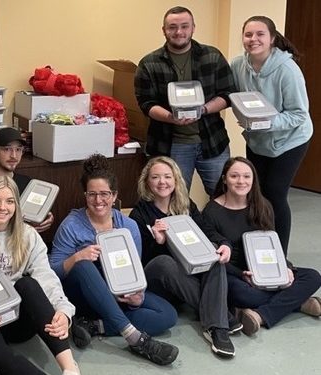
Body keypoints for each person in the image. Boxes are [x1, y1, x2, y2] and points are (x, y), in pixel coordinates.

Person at [50, 154, 179, 366]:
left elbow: (134, 270)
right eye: (92, 194)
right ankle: (134, 337)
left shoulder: (128, 226)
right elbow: (52, 271)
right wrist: (77, 257)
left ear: (114, 195)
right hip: (81, 294)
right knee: (84, 265)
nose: (98, 200)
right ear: (85, 195)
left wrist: (138, 294)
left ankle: (94, 326)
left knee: (168, 315)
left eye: (104, 194)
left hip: (116, 294)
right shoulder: (71, 225)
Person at [0, 176, 81, 375]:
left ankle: (70, 368)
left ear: (17, 204)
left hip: (16, 319)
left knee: (28, 284)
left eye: (9, 201)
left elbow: (45, 276)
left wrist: (63, 310)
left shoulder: (28, 234)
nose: (2, 207)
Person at [129, 156, 236, 358]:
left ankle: (217, 327)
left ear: (176, 180)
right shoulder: (139, 214)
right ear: (147, 182)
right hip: (157, 278)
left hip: (185, 276)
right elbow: (138, 259)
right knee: (164, 262)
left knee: (214, 253)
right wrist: (157, 242)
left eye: (168, 176)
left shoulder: (186, 205)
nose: (162, 182)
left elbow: (207, 231)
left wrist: (224, 244)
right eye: (155, 177)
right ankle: (222, 319)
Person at [202, 157, 321, 336]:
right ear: (225, 179)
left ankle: (260, 315)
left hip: (265, 269)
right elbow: (214, 258)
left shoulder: (263, 205)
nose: (241, 181)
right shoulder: (211, 211)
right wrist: (242, 275)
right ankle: (298, 303)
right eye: (234, 176)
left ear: (253, 180)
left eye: (246, 176)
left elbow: (273, 246)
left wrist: (285, 268)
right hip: (234, 274)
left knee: (313, 276)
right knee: (245, 295)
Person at [230, 16, 313, 253]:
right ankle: (258, 247)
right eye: (248, 35)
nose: (253, 39)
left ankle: (280, 255)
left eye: (260, 34)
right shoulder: (237, 65)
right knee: (256, 194)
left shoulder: (287, 70)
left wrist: (264, 122)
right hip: (258, 140)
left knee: (275, 194)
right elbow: (231, 95)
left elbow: (298, 114)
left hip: (291, 140)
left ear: (272, 39)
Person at [134, 6, 235, 195]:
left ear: (193, 28)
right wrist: (171, 117)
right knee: (173, 201)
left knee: (225, 197)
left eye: (184, 26)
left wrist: (203, 109)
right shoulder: (149, 63)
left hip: (212, 141)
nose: (178, 32)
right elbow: (146, 103)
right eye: (172, 27)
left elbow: (228, 94)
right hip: (171, 145)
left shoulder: (212, 56)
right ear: (163, 30)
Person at [0, 127, 54, 233]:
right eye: (7, 149)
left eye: (18, 149)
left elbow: (35, 211)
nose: (13, 155)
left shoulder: (27, 183)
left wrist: (45, 217)